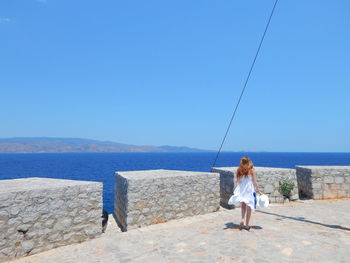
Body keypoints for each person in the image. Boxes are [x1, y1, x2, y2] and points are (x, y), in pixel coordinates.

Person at [229, 156, 262, 231]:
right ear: (249, 162)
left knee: (243, 205)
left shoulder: (239, 170)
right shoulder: (251, 170)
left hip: (241, 189)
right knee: (249, 206)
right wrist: (259, 191)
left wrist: (237, 190)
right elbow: (254, 182)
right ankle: (247, 225)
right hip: (249, 190)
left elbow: (238, 182)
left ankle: (242, 219)